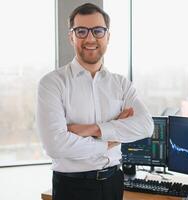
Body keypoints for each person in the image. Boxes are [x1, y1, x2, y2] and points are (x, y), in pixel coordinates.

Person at [37, 3, 154, 200]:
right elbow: (55, 145)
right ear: (71, 36)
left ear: (108, 36)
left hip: (113, 183)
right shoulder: (52, 83)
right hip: (72, 187)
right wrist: (111, 139)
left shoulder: (121, 84)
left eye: (98, 31)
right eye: (81, 31)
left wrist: (92, 129)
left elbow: (145, 126)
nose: (90, 38)